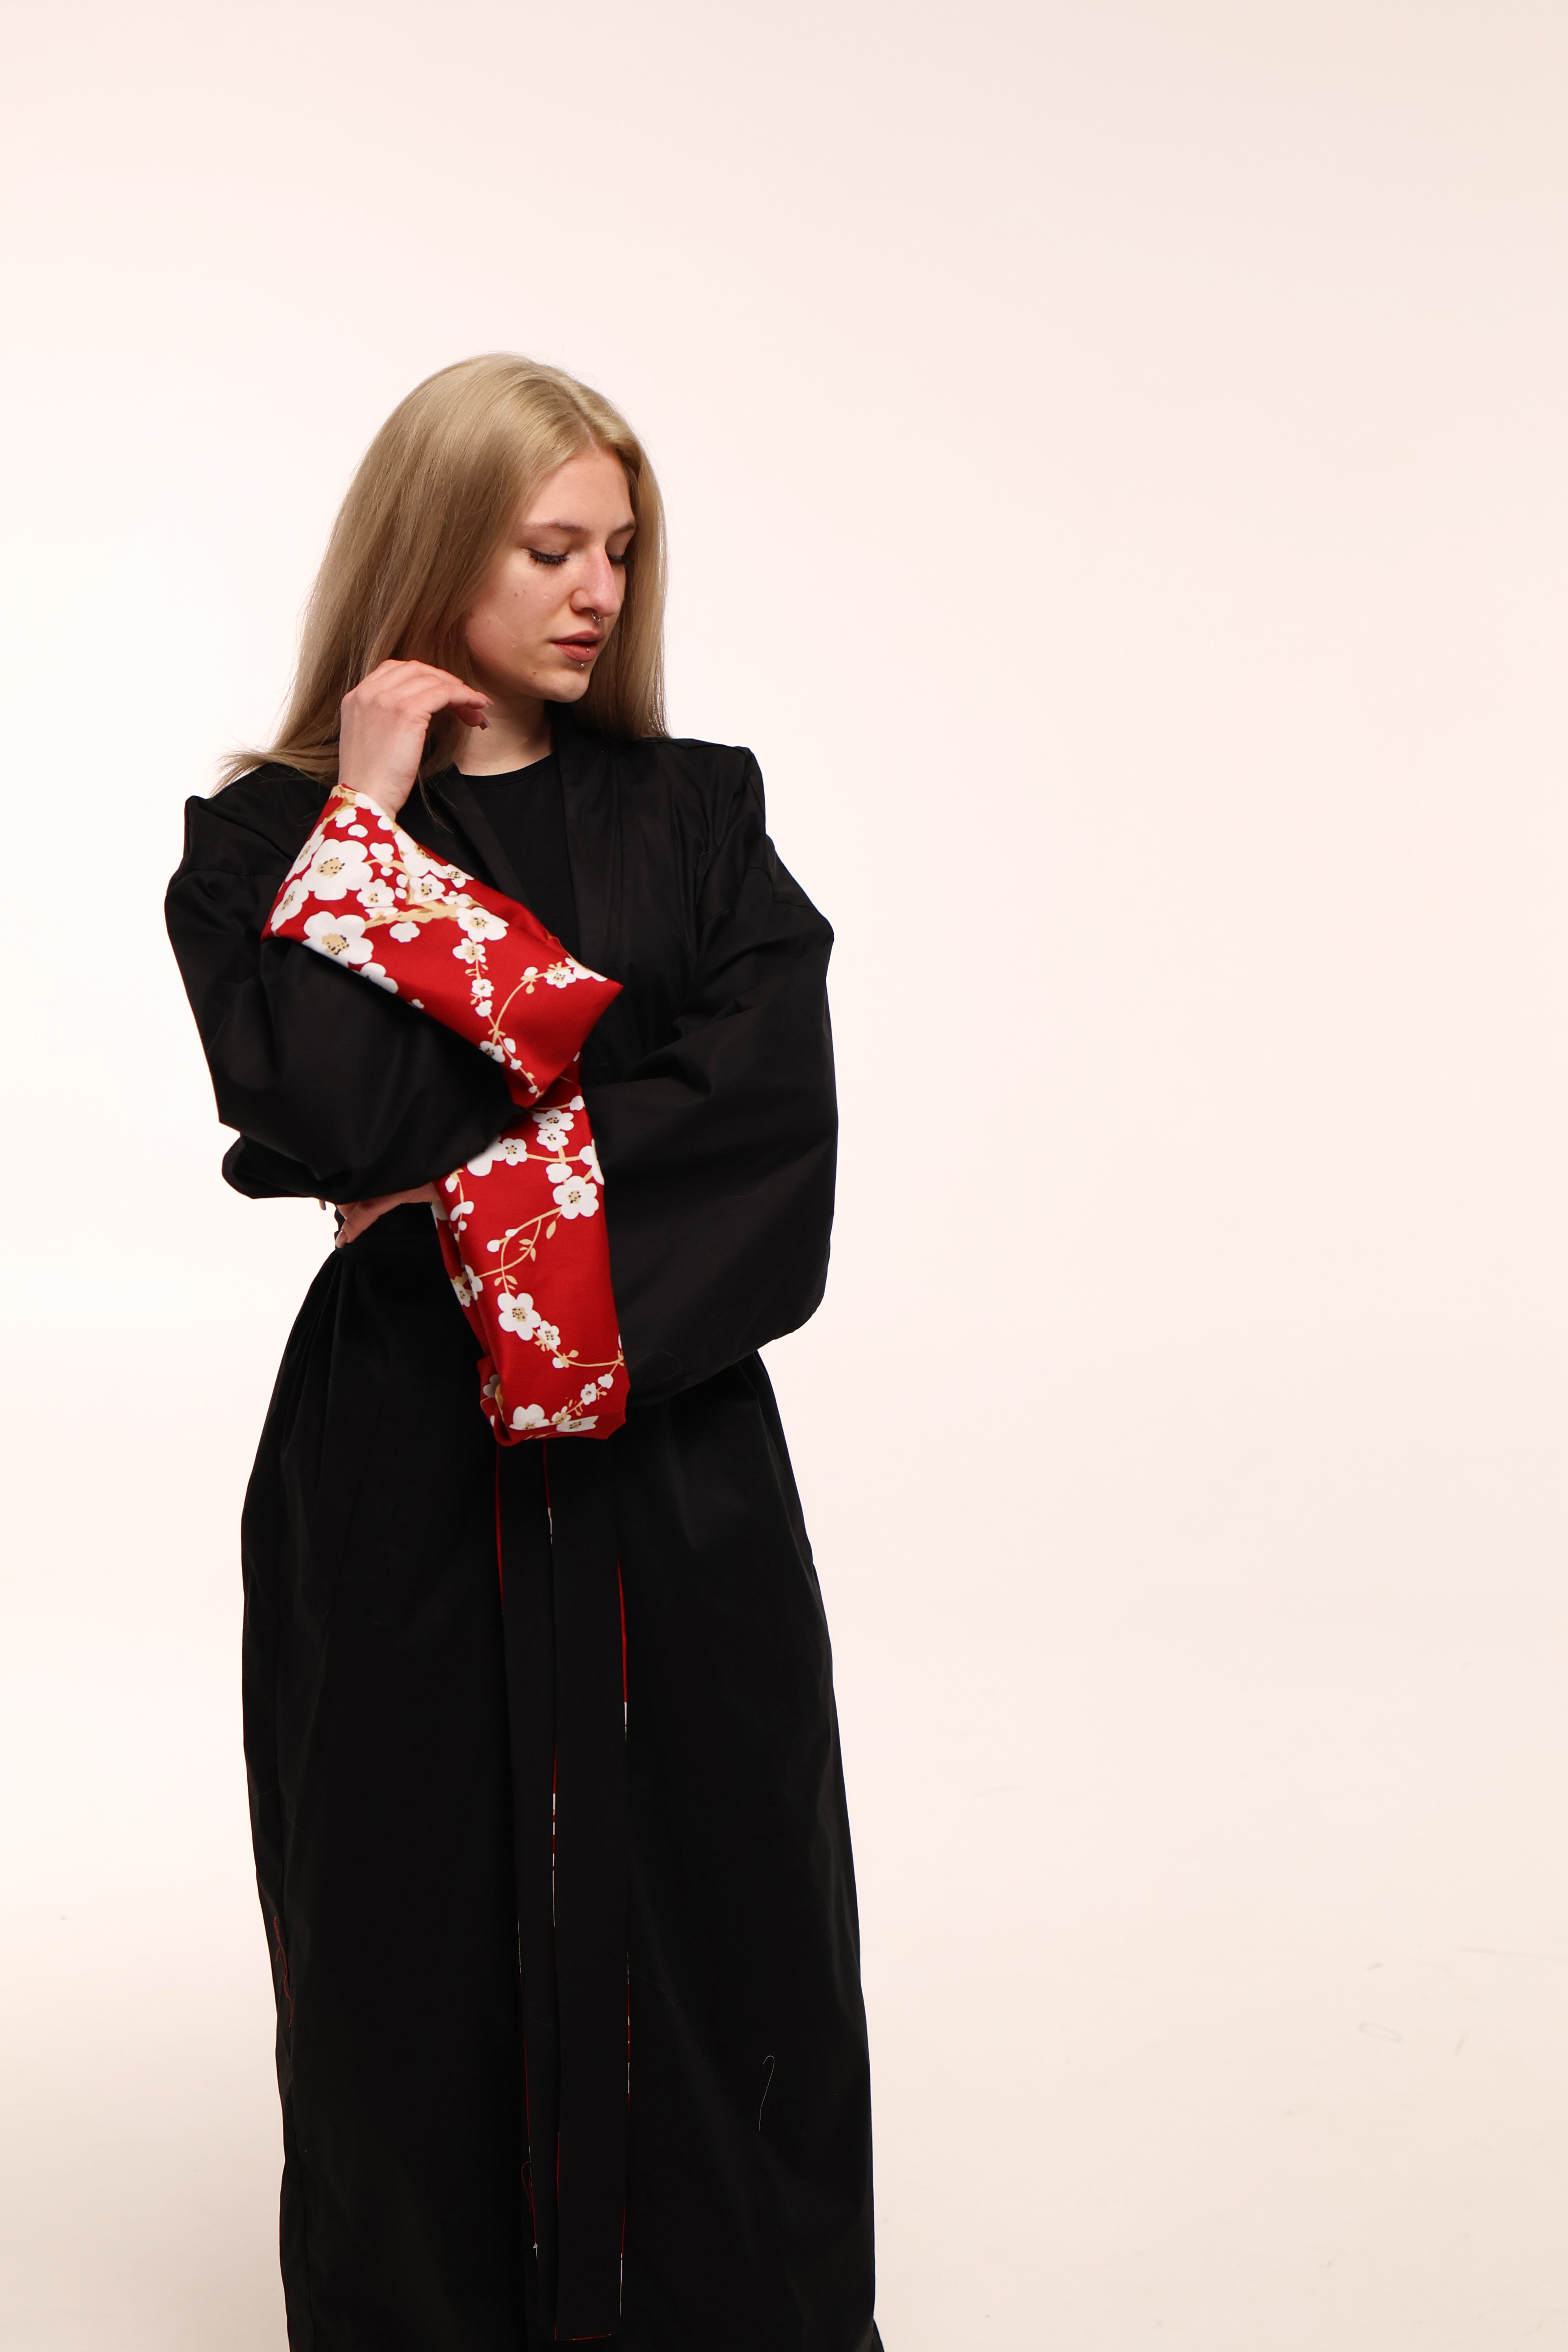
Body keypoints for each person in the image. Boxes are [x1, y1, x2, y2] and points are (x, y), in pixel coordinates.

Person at [165, 354, 880, 2352]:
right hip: (397, 1449)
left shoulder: (697, 814)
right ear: (432, 549)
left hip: (671, 1447)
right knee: (401, 1908)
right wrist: (367, 825)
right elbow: (319, 1105)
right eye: (548, 547)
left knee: (721, 1893)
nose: (596, 593)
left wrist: (460, 1190)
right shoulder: (265, 839)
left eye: (619, 552)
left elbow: (768, 1116)